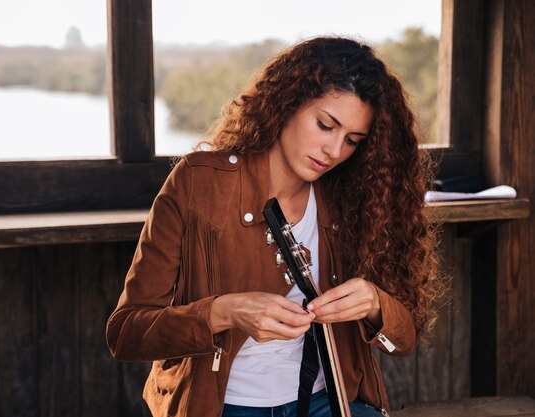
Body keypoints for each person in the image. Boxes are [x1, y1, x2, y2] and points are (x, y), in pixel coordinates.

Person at [106, 36, 440, 417]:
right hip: (222, 406)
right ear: (287, 103)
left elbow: (404, 342)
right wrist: (224, 311)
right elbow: (125, 334)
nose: (334, 151)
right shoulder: (198, 183)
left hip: (327, 401)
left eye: (352, 140)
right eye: (324, 125)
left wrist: (376, 303)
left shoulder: (351, 197)